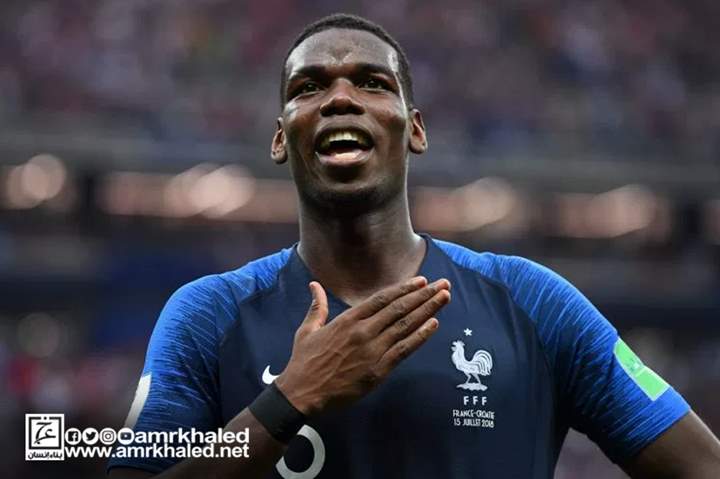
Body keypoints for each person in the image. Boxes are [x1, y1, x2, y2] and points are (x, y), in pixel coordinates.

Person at [108, 13, 720, 479]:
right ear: (279, 139)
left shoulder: (533, 303)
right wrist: (288, 400)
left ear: (415, 129)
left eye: (372, 83)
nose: (340, 99)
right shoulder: (207, 316)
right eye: (309, 87)